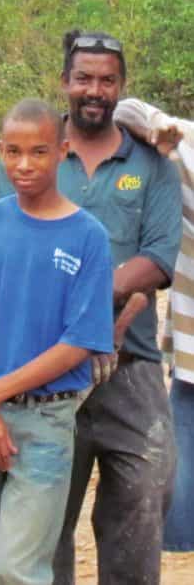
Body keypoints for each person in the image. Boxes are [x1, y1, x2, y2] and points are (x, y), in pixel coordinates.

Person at [0, 31, 182, 583]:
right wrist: (84, 313)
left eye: (106, 80)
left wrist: (88, 303)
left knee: (147, 492)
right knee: (45, 515)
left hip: (132, 362)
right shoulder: (33, 154)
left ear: (121, 88)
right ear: (64, 83)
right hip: (45, 367)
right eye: (83, 78)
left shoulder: (151, 164)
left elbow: (156, 259)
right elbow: (13, 249)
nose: (94, 90)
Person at [0, 98, 114, 584]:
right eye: (14, 151)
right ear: (0, 150)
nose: (25, 165)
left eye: (39, 152)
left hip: (45, 420)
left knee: (19, 570)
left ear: (62, 152)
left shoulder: (89, 236)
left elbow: (79, 343)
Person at [113, 99, 194, 552]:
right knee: (179, 529)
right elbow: (124, 109)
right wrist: (157, 127)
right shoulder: (188, 146)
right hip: (192, 373)